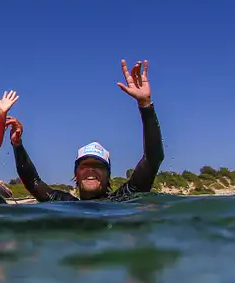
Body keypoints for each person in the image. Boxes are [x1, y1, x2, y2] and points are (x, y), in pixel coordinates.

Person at [10, 60, 163, 202]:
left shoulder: (121, 200)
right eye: (84, 166)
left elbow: (152, 159)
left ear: (108, 175)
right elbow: (32, 182)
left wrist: (145, 105)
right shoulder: (65, 204)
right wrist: (17, 146)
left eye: (98, 166)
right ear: (75, 174)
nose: (90, 169)